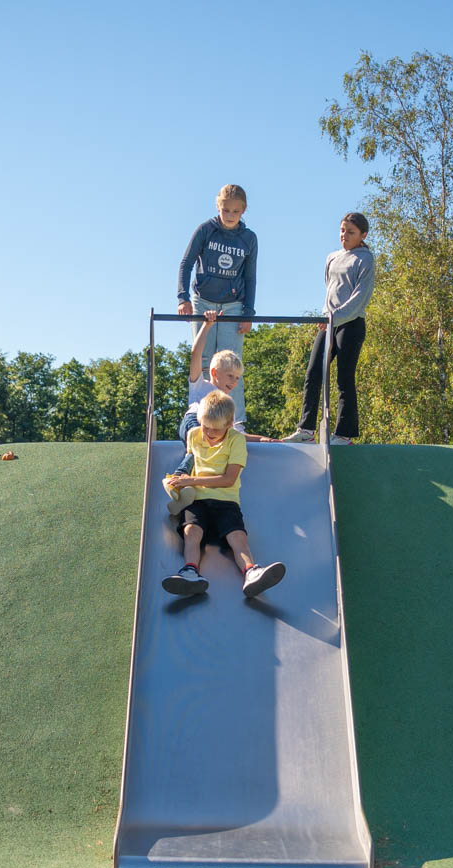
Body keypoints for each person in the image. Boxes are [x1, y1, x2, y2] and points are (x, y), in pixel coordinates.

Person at [161, 390, 286, 600]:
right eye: (205, 427)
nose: (208, 433)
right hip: (198, 499)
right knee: (191, 532)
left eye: (215, 430)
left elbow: (228, 479)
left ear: (229, 424)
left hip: (225, 499)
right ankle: (190, 572)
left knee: (237, 536)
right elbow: (190, 460)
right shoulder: (194, 434)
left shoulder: (236, 440)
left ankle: (251, 571)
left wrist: (191, 481)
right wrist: (180, 481)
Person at [166, 311, 273, 514]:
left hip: (211, 433)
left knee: (213, 442)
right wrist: (207, 325)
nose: (233, 382)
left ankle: (184, 493)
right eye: (230, 376)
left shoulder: (227, 404)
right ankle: (177, 477)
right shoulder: (201, 386)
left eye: (237, 378)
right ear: (214, 373)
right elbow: (196, 354)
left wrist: (263, 439)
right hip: (193, 423)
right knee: (201, 435)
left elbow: (233, 434)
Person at [285, 213, 374, 445]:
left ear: (362, 235)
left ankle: (344, 434)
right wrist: (328, 315)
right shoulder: (332, 257)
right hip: (329, 324)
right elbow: (330, 289)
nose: (344, 235)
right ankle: (306, 430)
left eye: (351, 232)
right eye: (342, 230)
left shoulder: (365, 259)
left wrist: (336, 316)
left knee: (344, 378)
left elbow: (359, 298)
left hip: (351, 324)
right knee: (313, 372)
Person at [177, 184, 257, 363]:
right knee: (203, 360)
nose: (230, 216)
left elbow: (250, 278)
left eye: (235, 211)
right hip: (203, 302)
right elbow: (186, 263)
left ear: (243, 210)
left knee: (230, 362)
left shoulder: (249, 238)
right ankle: (204, 393)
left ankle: (229, 393)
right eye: (225, 210)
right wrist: (183, 298)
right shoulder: (205, 230)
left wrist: (248, 314)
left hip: (233, 306)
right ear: (218, 207)